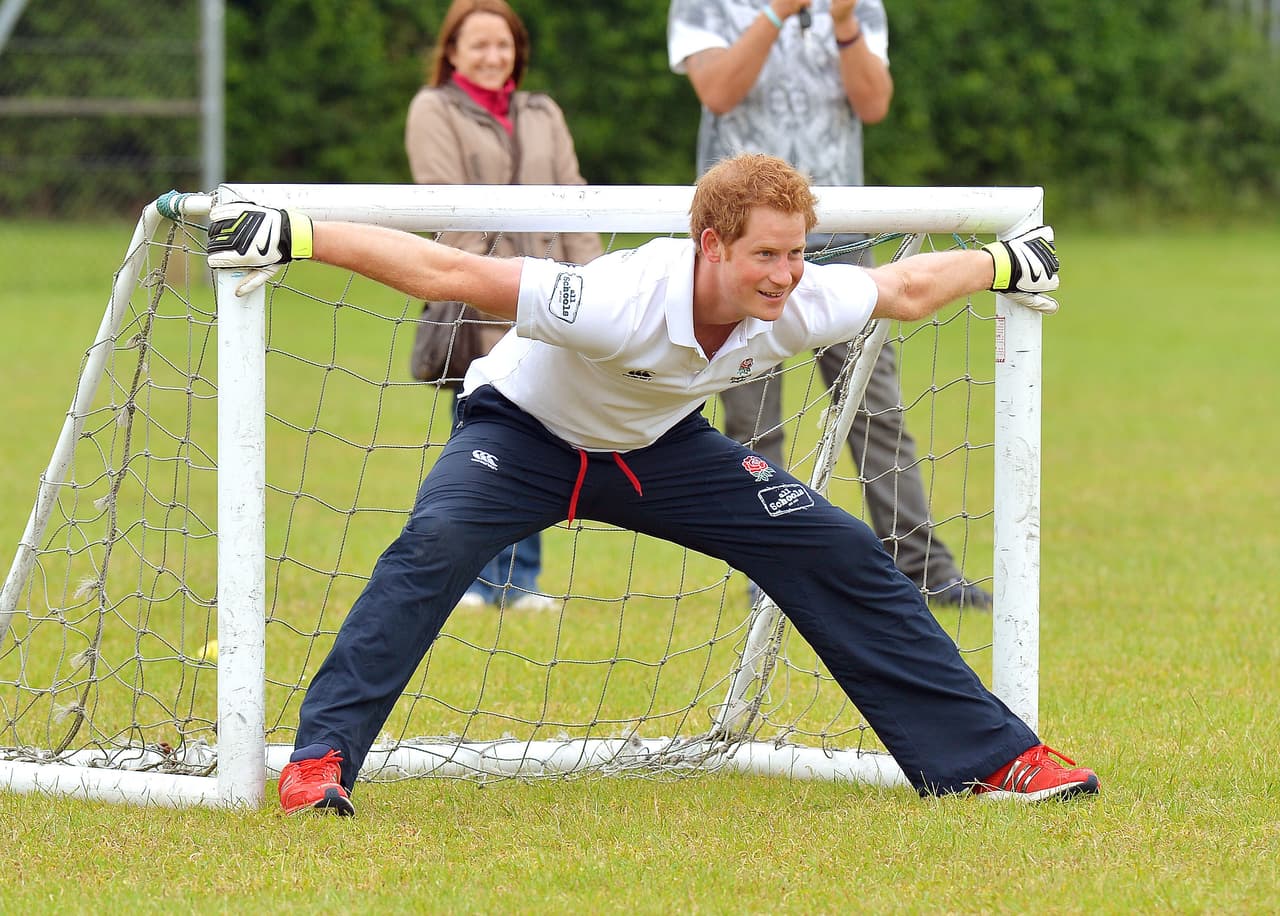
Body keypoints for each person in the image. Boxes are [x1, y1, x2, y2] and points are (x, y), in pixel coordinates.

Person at [205, 152, 1095, 816]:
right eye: (766, 256)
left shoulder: (803, 296)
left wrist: (1004, 262)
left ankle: (993, 760)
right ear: (711, 246)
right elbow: (453, 275)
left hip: (659, 452)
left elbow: (903, 287)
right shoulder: (615, 296)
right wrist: (298, 234)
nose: (786, 275)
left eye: (796, 254)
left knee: (837, 546)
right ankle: (318, 761)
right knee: (432, 548)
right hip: (520, 439)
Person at [668, 0, 992, 610]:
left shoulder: (857, 5)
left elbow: (874, 104)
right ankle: (768, 569)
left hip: (843, 239)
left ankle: (923, 565)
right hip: (744, 248)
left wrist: (843, 24)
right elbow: (717, 90)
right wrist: (776, 13)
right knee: (752, 421)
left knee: (878, 408)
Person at [404, 0, 603, 614]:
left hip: (553, 302)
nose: (493, 56)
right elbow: (445, 204)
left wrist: (594, 288)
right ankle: (471, 581)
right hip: (482, 298)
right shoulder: (432, 108)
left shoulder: (543, 112)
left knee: (544, 436)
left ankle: (519, 583)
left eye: (503, 44)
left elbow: (576, 197)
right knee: (484, 443)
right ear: (453, 51)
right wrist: (492, 285)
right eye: (478, 45)